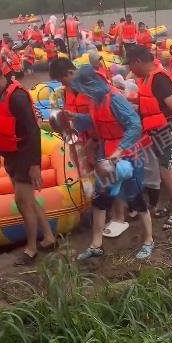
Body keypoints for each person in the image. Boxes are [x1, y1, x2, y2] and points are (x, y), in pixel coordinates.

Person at [0, 56, 56, 264]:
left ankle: (31, 248)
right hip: (10, 155)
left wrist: (35, 165)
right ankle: (49, 236)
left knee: (22, 202)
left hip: (25, 157)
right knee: (28, 200)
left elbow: (33, 131)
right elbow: (1, 127)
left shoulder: (17, 97)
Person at [66, 65, 154, 261]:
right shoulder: (95, 101)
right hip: (106, 155)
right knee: (100, 200)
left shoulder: (115, 99)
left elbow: (134, 125)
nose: (81, 92)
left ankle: (148, 240)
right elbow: (95, 121)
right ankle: (96, 245)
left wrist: (120, 149)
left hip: (128, 154)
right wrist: (76, 118)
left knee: (135, 198)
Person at [128, 46, 172, 230]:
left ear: (138, 62)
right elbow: (149, 102)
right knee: (167, 172)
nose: (131, 70)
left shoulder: (160, 78)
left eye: (131, 65)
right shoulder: (147, 78)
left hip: (168, 132)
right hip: (155, 133)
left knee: (167, 171)